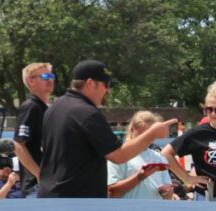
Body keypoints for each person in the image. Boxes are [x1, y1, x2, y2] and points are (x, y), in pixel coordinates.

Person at [39, 60, 176, 198]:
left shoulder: (54, 108)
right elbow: (118, 155)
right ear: (91, 83)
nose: (108, 90)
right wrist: (152, 133)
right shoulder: (86, 113)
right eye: (106, 85)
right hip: (76, 201)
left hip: (51, 194)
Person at [107, 111, 175, 200]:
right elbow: (112, 193)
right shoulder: (119, 155)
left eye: (150, 134)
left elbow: (168, 196)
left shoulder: (158, 157)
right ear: (132, 130)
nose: (145, 138)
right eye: (142, 134)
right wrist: (139, 177)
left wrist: (167, 192)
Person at [14, 62, 55, 198]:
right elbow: (19, 145)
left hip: (51, 183)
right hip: (36, 187)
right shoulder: (31, 107)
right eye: (44, 76)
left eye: (51, 76)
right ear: (31, 81)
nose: (50, 79)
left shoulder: (47, 109)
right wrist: (39, 174)